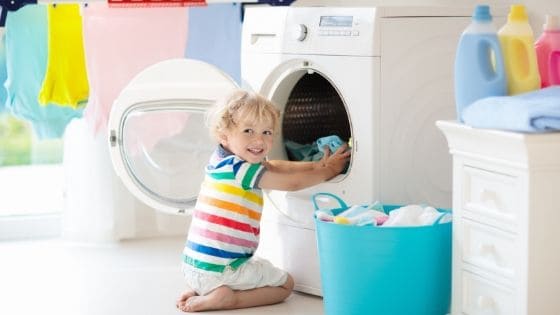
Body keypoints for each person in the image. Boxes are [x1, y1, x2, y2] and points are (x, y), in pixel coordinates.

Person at [176, 90, 351, 312]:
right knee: (286, 285)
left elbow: (275, 166)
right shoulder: (241, 170)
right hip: (224, 268)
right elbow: (292, 184)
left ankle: (204, 290)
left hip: (193, 266)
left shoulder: (222, 161)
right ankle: (227, 298)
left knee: (243, 273)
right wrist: (330, 171)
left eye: (267, 132)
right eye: (248, 131)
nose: (259, 140)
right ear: (224, 135)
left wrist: (317, 166)